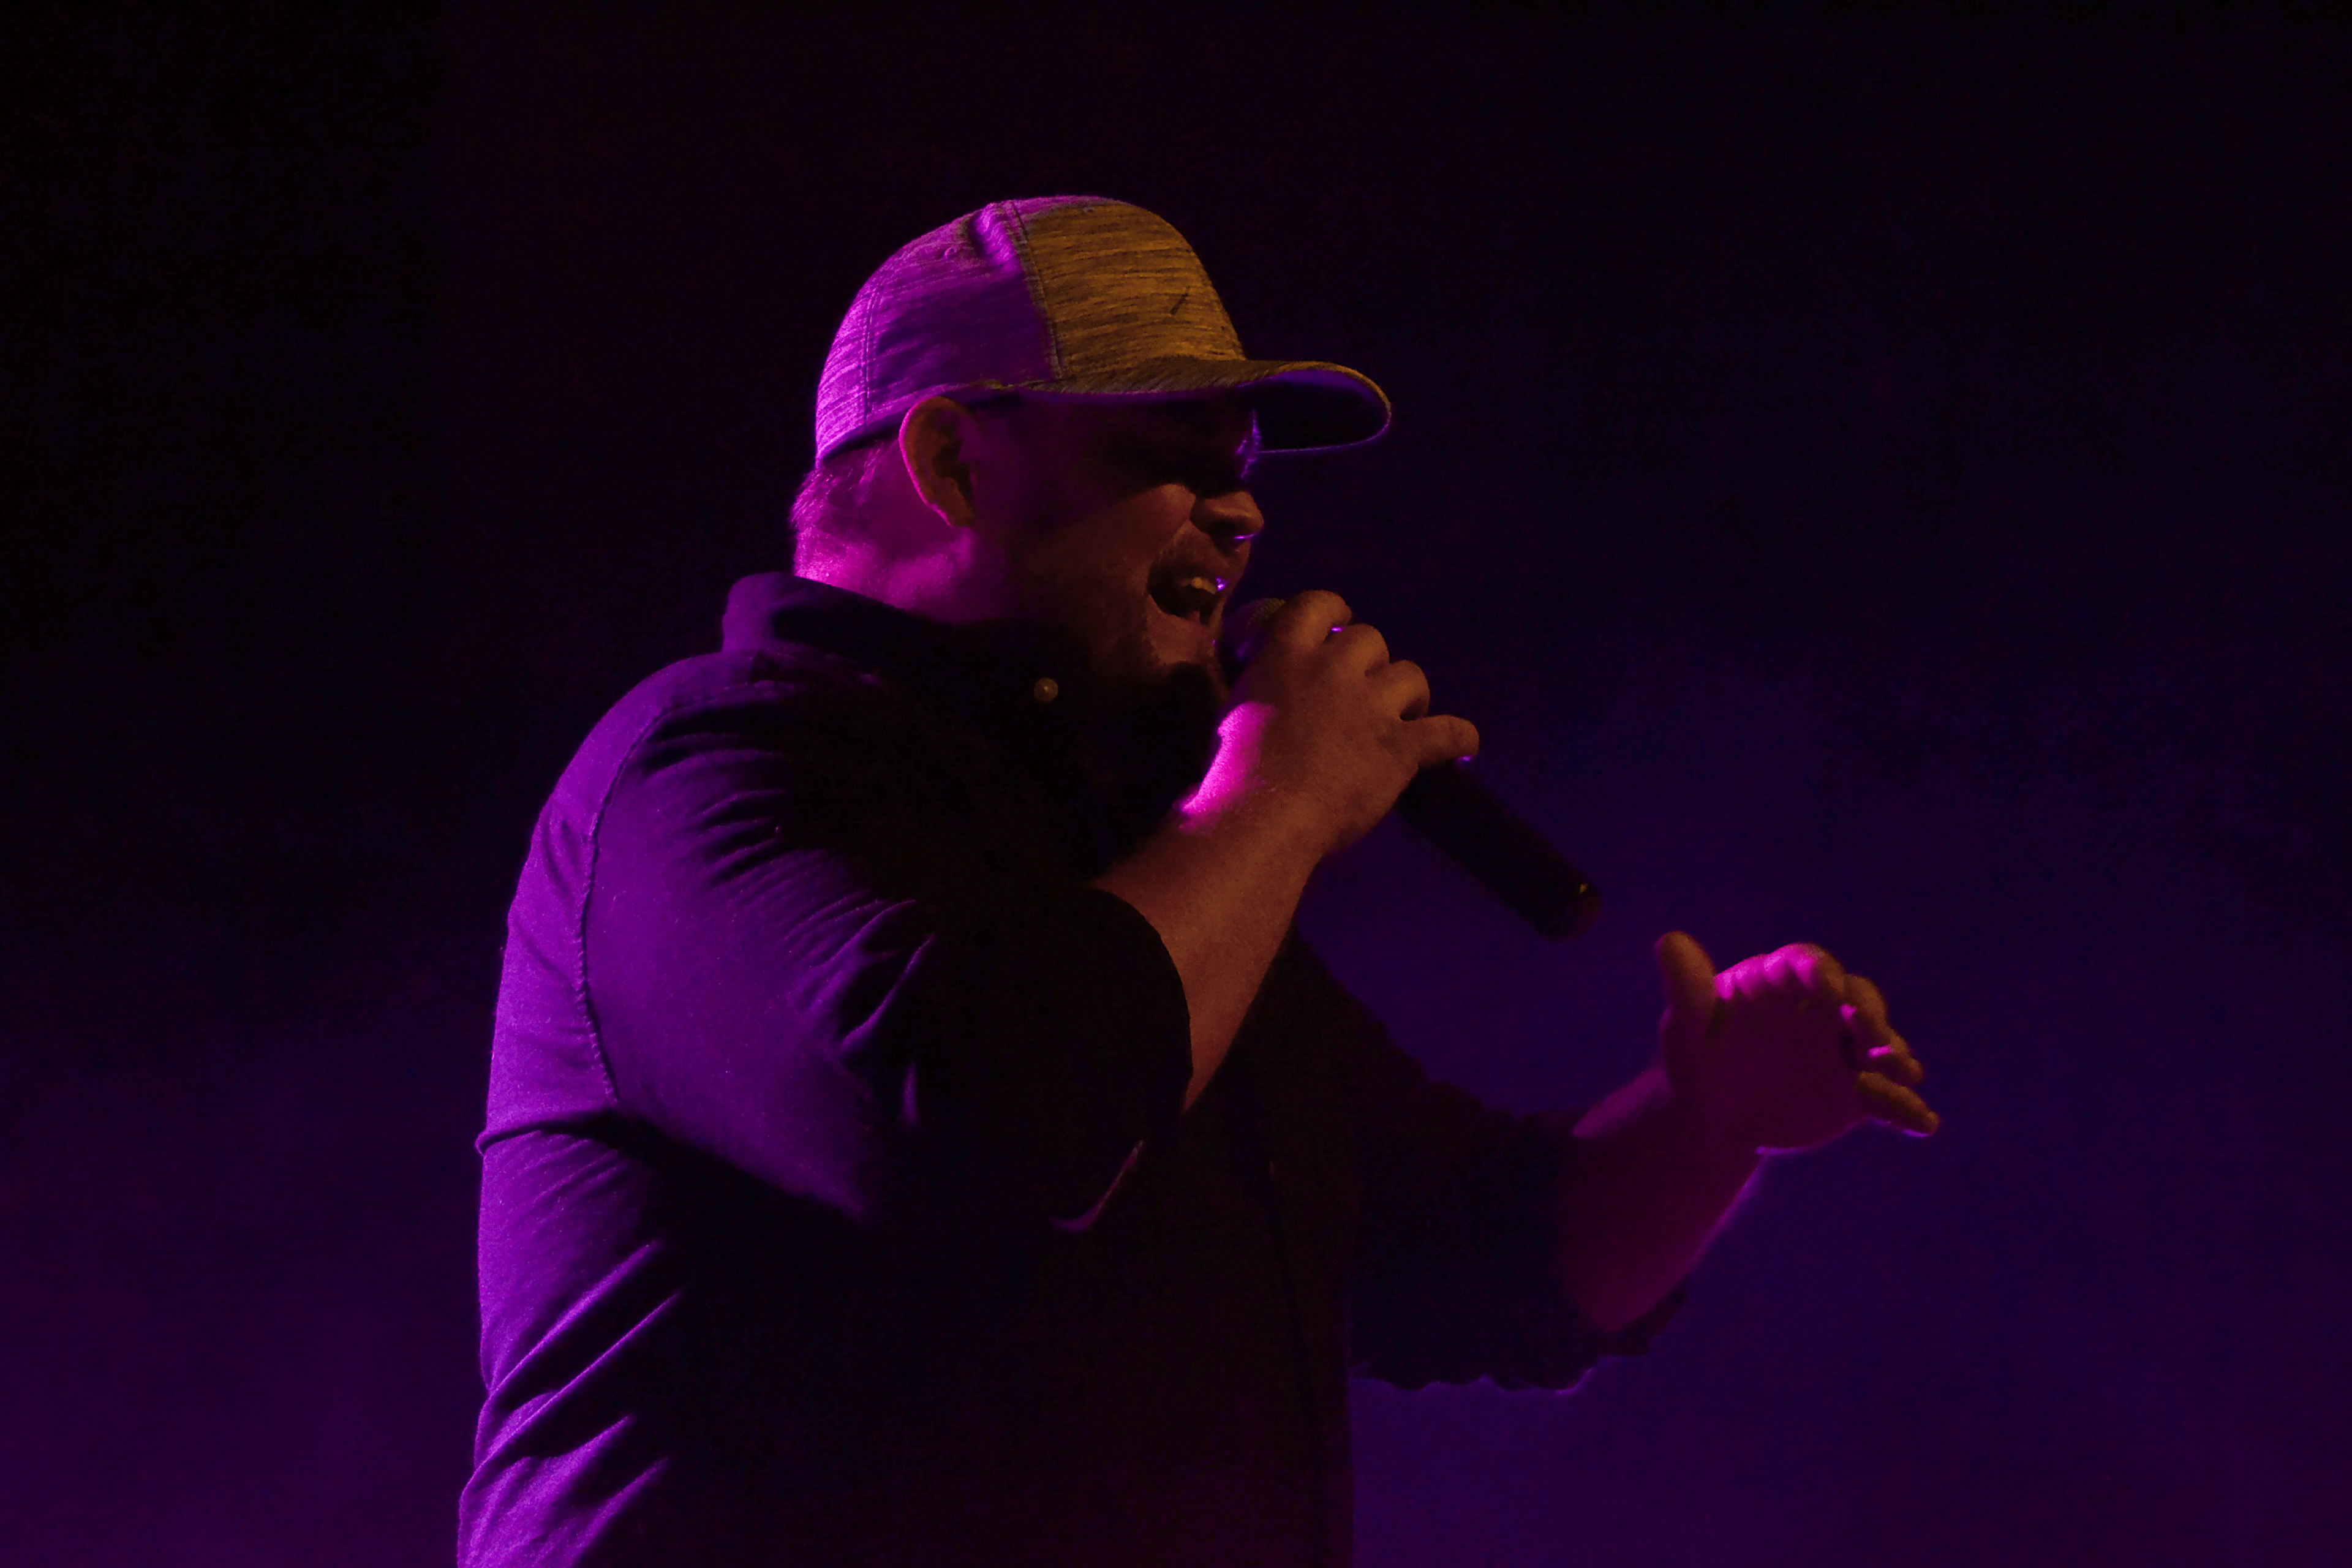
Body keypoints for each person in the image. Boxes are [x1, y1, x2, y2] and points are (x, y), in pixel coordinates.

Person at [458, 196, 1939, 1568]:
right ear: (955, 462)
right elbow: (987, 1130)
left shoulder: (1132, 854)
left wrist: (1710, 1118)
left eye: (1242, 466)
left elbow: (1497, 1253)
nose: (1243, 515)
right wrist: (1276, 800)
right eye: (1167, 452)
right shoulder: (712, 771)